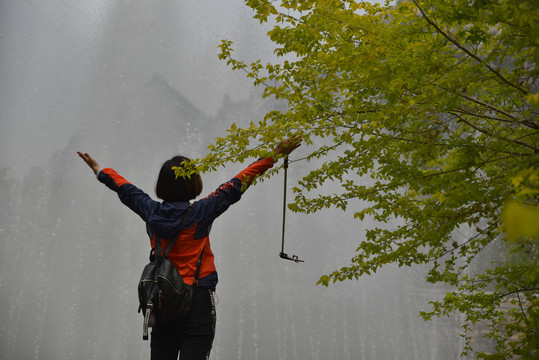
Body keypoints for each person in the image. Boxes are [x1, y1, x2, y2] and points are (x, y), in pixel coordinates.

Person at [77, 137, 301, 360]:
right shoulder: (201, 212)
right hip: (198, 301)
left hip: (163, 302)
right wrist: (274, 155)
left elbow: (126, 189)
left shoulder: (150, 211)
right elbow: (236, 184)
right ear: (193, 183)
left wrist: (99, 171)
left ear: (162, 185)